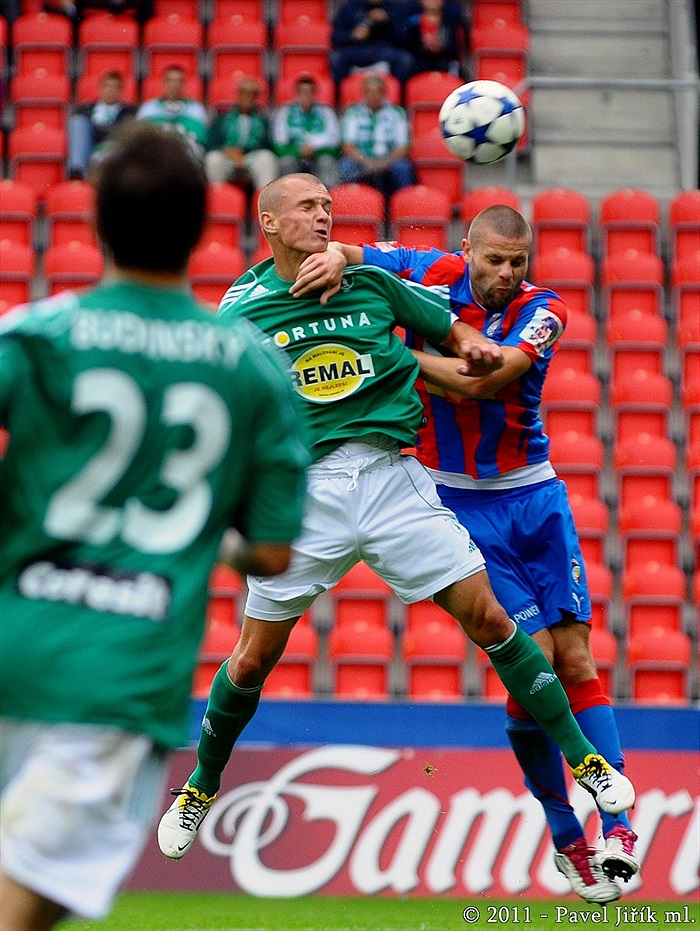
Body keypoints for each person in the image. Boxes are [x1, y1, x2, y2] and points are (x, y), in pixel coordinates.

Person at [157, 173, 635, 864]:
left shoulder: (374, 287)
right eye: (308, 207)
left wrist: (467, 346)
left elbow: (453, 325)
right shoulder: (243, 307)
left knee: (492, 620)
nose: (323, 216)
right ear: (268, 221)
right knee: (254, 656)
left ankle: (588, 762)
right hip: (307, 494)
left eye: (328, 206)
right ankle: (201, 782)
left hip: (391, 477)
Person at [0, 123, 309, 931]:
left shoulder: (35, 335)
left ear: (95, 223)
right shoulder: (253, 366)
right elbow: (274, 551)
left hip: (12, 641)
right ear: (206, 229)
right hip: (116, 669)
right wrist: (212, 531)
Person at [292, 206, 640, 904]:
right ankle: (563, 825)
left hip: (535, 497)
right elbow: (365, 255)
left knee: (576, 660)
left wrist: (382, 351)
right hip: (454, 503)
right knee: (534, 657)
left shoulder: (545, 311)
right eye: (495, 260)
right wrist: (341, 256)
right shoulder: (432, 274)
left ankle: (619, 827)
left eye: (519, 261)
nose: (507, 274)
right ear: (468, 252)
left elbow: (481, 381)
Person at [339, 71, 415, 195]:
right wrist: (366, 161)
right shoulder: (353, 112)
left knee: (403, 168)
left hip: (389, 159)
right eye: (369, 92)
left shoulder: (397, 113)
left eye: (377, 92)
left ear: (384, 93)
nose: (373, 96)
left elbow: (403, 146)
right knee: (346, 166)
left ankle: (404, 204)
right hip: (361, 159)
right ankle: (347, 203)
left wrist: (384, 162)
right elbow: (347, 146)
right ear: (364, 93)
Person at [205, 75, 279, 192]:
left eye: (253, 94)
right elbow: (211, 144)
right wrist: (228, 151)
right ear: (238, 95)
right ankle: (217, 198)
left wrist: (243, 153)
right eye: (244, 92)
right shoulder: (221, 118)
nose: (248, 97)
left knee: (267, 158)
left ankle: (264, 201)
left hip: (252, 157)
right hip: (227, 156)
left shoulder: (263, 120)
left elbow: (268, 146)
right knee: (213, 159)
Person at [270, 73, 341, 190]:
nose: (306, 96)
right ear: (296, 93)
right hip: (293, 155)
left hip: (319, 155)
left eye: (310, 92)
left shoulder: (327, 112)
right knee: (286, 162)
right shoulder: (284, 112)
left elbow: (335, 143)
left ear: (315, 94)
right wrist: (298, 151)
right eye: (302, 92)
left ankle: (328, 200)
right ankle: (288, 199)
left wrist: (314, 148)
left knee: (327, 162)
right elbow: (278, 144)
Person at [67, 70, 136, 181]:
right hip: (90, 149)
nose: (110, 90)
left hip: (115, 151)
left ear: (121, 91)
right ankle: (77, 173)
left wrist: (100, 129)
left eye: (115, 87)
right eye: (107, 86)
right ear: (100, 88)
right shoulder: (86, 109)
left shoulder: (129, 111)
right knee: (78, 122)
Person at [330, 0, 415, 85]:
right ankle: (340, 95)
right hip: (356, 50)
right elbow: (335, 38)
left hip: (384, 50)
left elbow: (405, 40)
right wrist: (352, 35)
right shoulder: (350, 7)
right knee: (336, 58)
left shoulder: (394, 8)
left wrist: (389, 21)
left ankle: (398, 95)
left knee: (405, 59)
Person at [136, 64, 209, 162]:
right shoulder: (149, 108)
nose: (174, 85)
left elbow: (201, 137)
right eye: (170, 80)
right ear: (163, 83)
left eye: (178, 81)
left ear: (184, 84)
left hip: (187, 155)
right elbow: (142, 136)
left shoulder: (196, 108)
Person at [402, 0, 466, 76]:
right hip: (420, 63)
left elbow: (457, 48)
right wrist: (425, 48)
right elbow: (407, 47)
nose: (433, 1)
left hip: (445, 61)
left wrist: (442, 47)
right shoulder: (413, 23)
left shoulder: (451, 22)